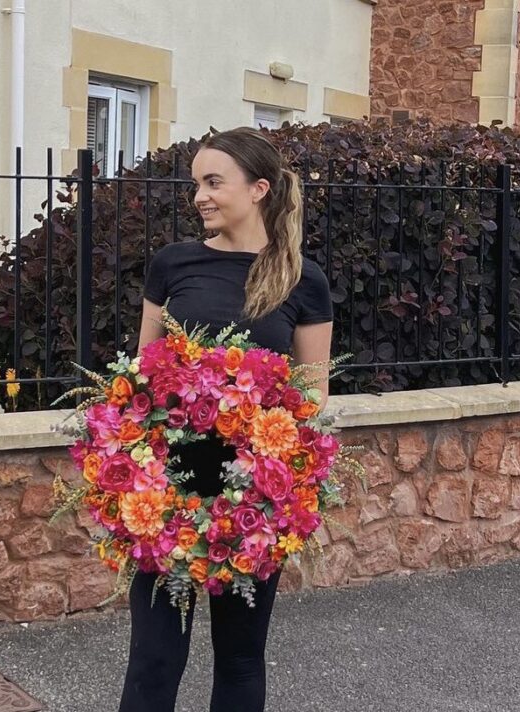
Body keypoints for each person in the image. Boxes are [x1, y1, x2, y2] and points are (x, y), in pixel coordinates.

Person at [119, 127, 335, 712]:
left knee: (240, 659)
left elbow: (310, 400)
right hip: (168, 494)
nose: (200, 196)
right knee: (154, 660)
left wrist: (286, 479)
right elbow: (142, 376)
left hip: (255, 500)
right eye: (197, 184)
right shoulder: (172, 264)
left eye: (214, 182)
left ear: (259, 188)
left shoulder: (301, 279)